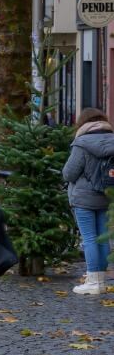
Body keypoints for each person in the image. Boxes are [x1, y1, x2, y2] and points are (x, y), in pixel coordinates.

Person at [62, 107, 114, 294]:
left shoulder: (81, 143)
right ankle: (101, 280)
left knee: (89, 238)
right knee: (103, 238)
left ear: (83, 123)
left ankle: (93, 282)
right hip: (106, 196)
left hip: (84, 198)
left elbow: (69, 173)